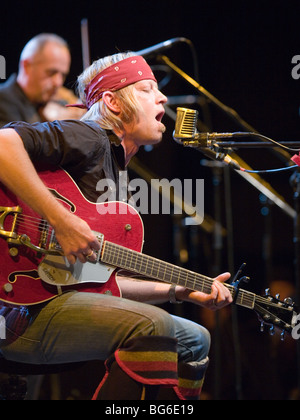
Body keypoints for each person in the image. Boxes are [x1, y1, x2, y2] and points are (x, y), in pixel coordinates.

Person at [0, 52, 232, 400]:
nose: (164, 98)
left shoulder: (115, 179)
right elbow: (3, 143)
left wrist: (176, 290)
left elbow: (100, 282)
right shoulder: (88, 136)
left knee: (196, 338)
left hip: (51, 306)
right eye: (146, 89)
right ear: (113, 102)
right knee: (155, 326)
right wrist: (60, 219)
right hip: (18, 313)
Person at [0, 33, 84, 127]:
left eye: (63, 75)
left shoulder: (43, 104)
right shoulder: (3, 101)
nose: (58, 82)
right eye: (51, 72)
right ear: (27, 66)